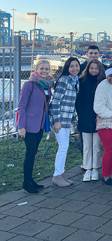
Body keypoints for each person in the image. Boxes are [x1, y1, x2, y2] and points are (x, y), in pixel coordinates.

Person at [17, 59, 53, 193]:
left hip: (40, 125)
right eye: (42, 68)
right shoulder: (29, 84)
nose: (44, 71)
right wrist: (21, 126)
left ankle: (30, 180)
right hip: (29, 125)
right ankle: (27, 183)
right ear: (36, 69)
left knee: (33, 153)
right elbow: (21, 106)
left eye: (46, 69)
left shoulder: (46, 85)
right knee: (30, 154)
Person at [50, 57, 80, 187]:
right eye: (71, 66)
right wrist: (56, 121)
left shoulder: (75, 81)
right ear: (67, 68)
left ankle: (61, 174)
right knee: (63, 147)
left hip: (67, 120)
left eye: (76, 66)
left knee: (64, 147)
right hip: (60, 119)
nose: (74, 68)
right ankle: (57, 176)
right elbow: (55, 102)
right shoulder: (63, 80)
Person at [75, 59, 105, 182]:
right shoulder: (81, 81)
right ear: (88, 69)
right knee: (87, 145)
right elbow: (78, 101)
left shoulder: (103, 82)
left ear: (100, 70)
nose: (94, 70)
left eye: (96, 68)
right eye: (91, 68)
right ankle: (87, 168)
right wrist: (80, 115)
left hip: (99, 117)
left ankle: (95, 168)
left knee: (97, 145)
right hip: (85, 117)